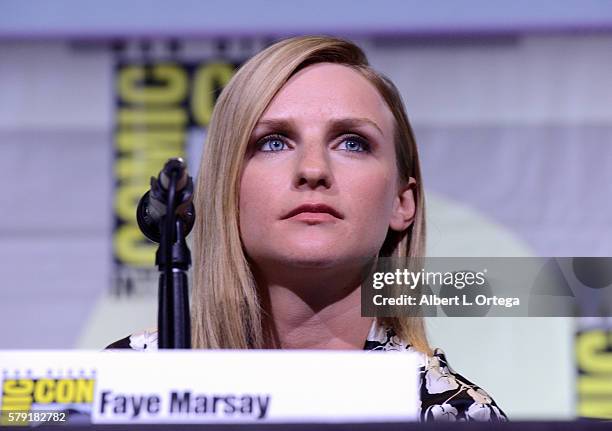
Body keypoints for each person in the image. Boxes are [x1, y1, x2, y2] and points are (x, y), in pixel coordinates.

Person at [107, 35, 507, 422]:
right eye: (274, 142)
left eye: (352, 143)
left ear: (403, 203)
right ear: (224, 189)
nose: (313, 171)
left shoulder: (453, 414)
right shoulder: (118, 388)